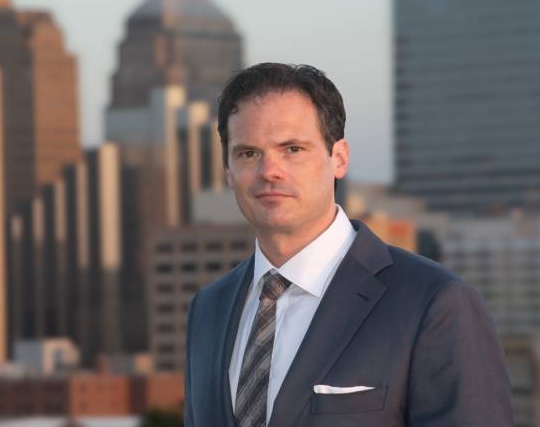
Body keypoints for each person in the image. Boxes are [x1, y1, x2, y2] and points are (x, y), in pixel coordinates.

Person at [184, 63, 512, 426]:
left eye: (292, 149)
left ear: (338, 158)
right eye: (248, 153)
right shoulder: (208, 308)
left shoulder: (434, 303)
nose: (269, 171)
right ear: (228, 171)